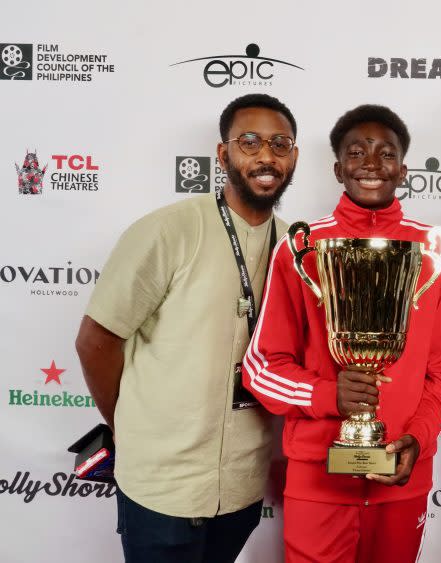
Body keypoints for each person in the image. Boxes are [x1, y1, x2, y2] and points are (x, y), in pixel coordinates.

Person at [75, 93, 297, 563]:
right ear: (223, 155)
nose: (265, 156)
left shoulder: (297, 245)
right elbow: (96, 341)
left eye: (279, 144)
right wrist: (129, 425)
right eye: (249, 141)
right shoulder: (168, 230)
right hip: (162, 485)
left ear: (293, 157)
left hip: (241, 485)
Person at [242, 104, 441, 563]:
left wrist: (418, 438)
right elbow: (262, 366)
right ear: (338, 168)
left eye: (385, 153)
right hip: (318, 478)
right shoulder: (302, 249)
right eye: (356, 152)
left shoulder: (434, 253)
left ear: (403, 170)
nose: (370, 163)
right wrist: (329, 395)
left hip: (402, 474)